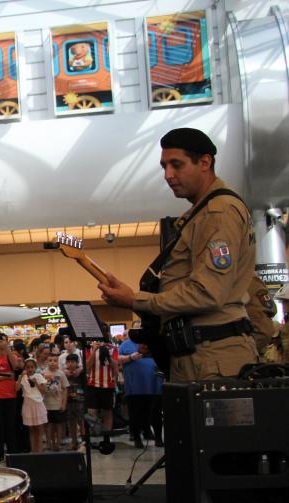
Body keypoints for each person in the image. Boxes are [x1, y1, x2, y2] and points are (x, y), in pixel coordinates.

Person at [99, 128, 258, 383]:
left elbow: (207, 293)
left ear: (205, 162)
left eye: (177, 165)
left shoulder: (218, 213)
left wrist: (137, 300)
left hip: (212, 358)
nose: (168, 175)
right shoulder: (203, 213)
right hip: (200, 353)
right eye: (164, 166)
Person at [119, 340, 163, 448]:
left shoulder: (155, 342)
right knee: (135, 415)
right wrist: (130, 357)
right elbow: (117, 359)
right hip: (135, 386)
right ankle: (137, 438)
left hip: (155, 385)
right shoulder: (125, 345)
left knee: (156, 414)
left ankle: (158, 438)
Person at [0, 333, 22, 464]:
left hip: (10, 395)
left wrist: (7, 349)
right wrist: (4, 376)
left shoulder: (11, 356)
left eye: (2, 340)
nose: (0, 343)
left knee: (11, 425)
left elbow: (16, 367)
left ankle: (12, 452)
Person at [17, 358, 47, 453]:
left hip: (38, 404)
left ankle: (40, 450)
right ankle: (33, 451)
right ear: (25, 368)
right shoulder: (23, 377)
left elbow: (44, 391)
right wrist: (20, 377)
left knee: (39, 429)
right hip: (28, 405)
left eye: (32, 367)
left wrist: (36, 383)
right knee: (31, 430)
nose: (30, 369)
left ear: (35, 367)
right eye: (28, 367)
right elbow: (17, 389)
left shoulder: (38, 376)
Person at [42, 353, 69, 451]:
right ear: (46, 362)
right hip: (46, 404)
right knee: (49, 425)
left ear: (58, 362)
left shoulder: (61, 373)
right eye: (50, 360)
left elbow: (65, 389)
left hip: (58, 404)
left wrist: (64, 403)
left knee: (58, 425)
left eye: (54, 360)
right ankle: (49, 443)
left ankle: (58, 443)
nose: (52, 363)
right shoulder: (43, 373)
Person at [63, 353, 86, 450]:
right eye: (68, 362)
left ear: (77, 363)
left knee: (81, 421)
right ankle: (74, 441)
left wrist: (80, 370)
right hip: (69, 401)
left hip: (80, 401)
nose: (71, 364)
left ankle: (84, 440)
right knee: (71, 422)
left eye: (73, 362)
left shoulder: (81, 372)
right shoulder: (63, 373)